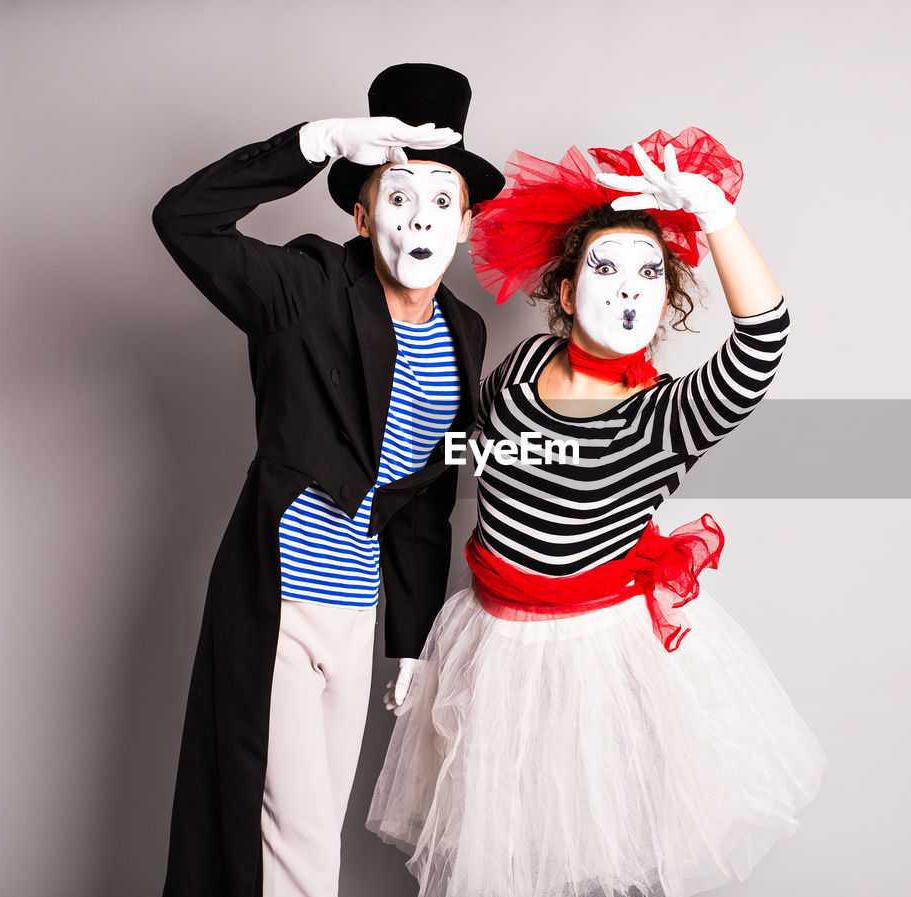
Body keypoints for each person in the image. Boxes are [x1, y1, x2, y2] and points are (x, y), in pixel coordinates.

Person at [365, 128, 825, 897]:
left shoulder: (664, 415)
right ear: (570, 292)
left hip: (595, 661)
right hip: (491, 646)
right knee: (504, 851)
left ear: (667, 301)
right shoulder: (521, 368)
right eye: (606, 268)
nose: (627, 288)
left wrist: (714, 215)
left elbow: (762, 343)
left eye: (649, 275)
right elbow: (468, 464)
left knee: (598, 852)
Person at [151, 63, 504, 897]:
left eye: (441, 200)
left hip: (358, 614)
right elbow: (183, 221)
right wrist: (315, 142)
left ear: (465, 223)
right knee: (300, 841)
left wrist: (410, 641)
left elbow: (424, 500)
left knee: (311, 837)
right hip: (278, 603)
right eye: (398, 195)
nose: (420, 217)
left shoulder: (464, 332)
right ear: (360, 210)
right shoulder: (304, 288)